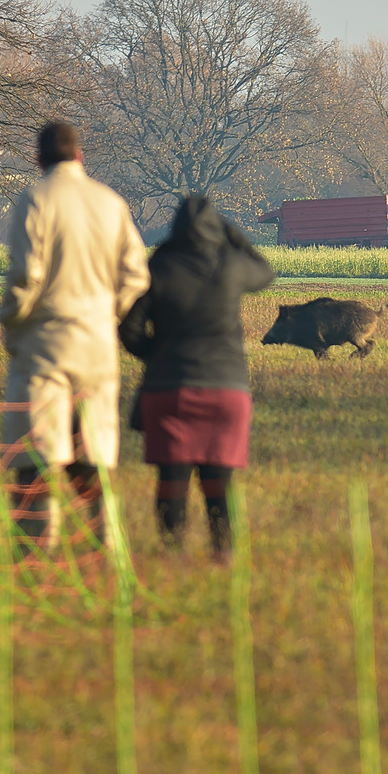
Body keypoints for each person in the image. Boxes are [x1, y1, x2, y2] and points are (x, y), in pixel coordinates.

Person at [0, 119, 148, 550]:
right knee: (94, 450)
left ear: (38, 158)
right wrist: (109, 311)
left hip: (46, 342)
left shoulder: (35, 199)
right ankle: (108, 539)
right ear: (80, 156)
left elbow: (26, 275)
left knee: (36, 450)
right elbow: (136, 275)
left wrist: (11, 319)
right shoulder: (110, 202)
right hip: (99, 345)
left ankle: (34, 548)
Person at [119, 196, 273, 557]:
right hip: (226, 389)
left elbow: (129, 329)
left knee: (171, 479)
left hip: (169, 389)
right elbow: (265, 272)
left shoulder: (159, 266)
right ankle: (223, 553)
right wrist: (233, 234)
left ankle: (173, 555)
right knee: (219, 479)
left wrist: (157, 356)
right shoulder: (230, 264)